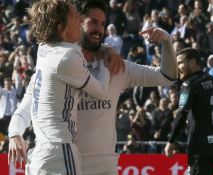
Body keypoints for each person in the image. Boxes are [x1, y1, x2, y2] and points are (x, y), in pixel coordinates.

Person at [8, 1, 178, 175]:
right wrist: (14, 134)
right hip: (65, 162)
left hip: (102, 168)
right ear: (78, 22)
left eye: (103, 24)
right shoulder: (57, 61)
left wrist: (166, 40)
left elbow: (167, 76)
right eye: (93, 22)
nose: (99, 29)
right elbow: (25, 109)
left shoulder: (116, 66)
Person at [8, 0, 113, 174]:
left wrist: (14, 133)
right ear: (60, 27)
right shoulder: (67, 57)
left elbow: (26, 106)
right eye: (74, 15)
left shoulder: (44, 52)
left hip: (40, 155)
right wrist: (106, 54)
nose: (81, 19)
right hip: (60, 153)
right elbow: (101, 91)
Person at [164, 48, 213, 175]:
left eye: (180, 63)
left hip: (200, 146)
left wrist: (171, 141)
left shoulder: (190, 84)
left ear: (193, 62)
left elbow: (182, 113)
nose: (178, 68)